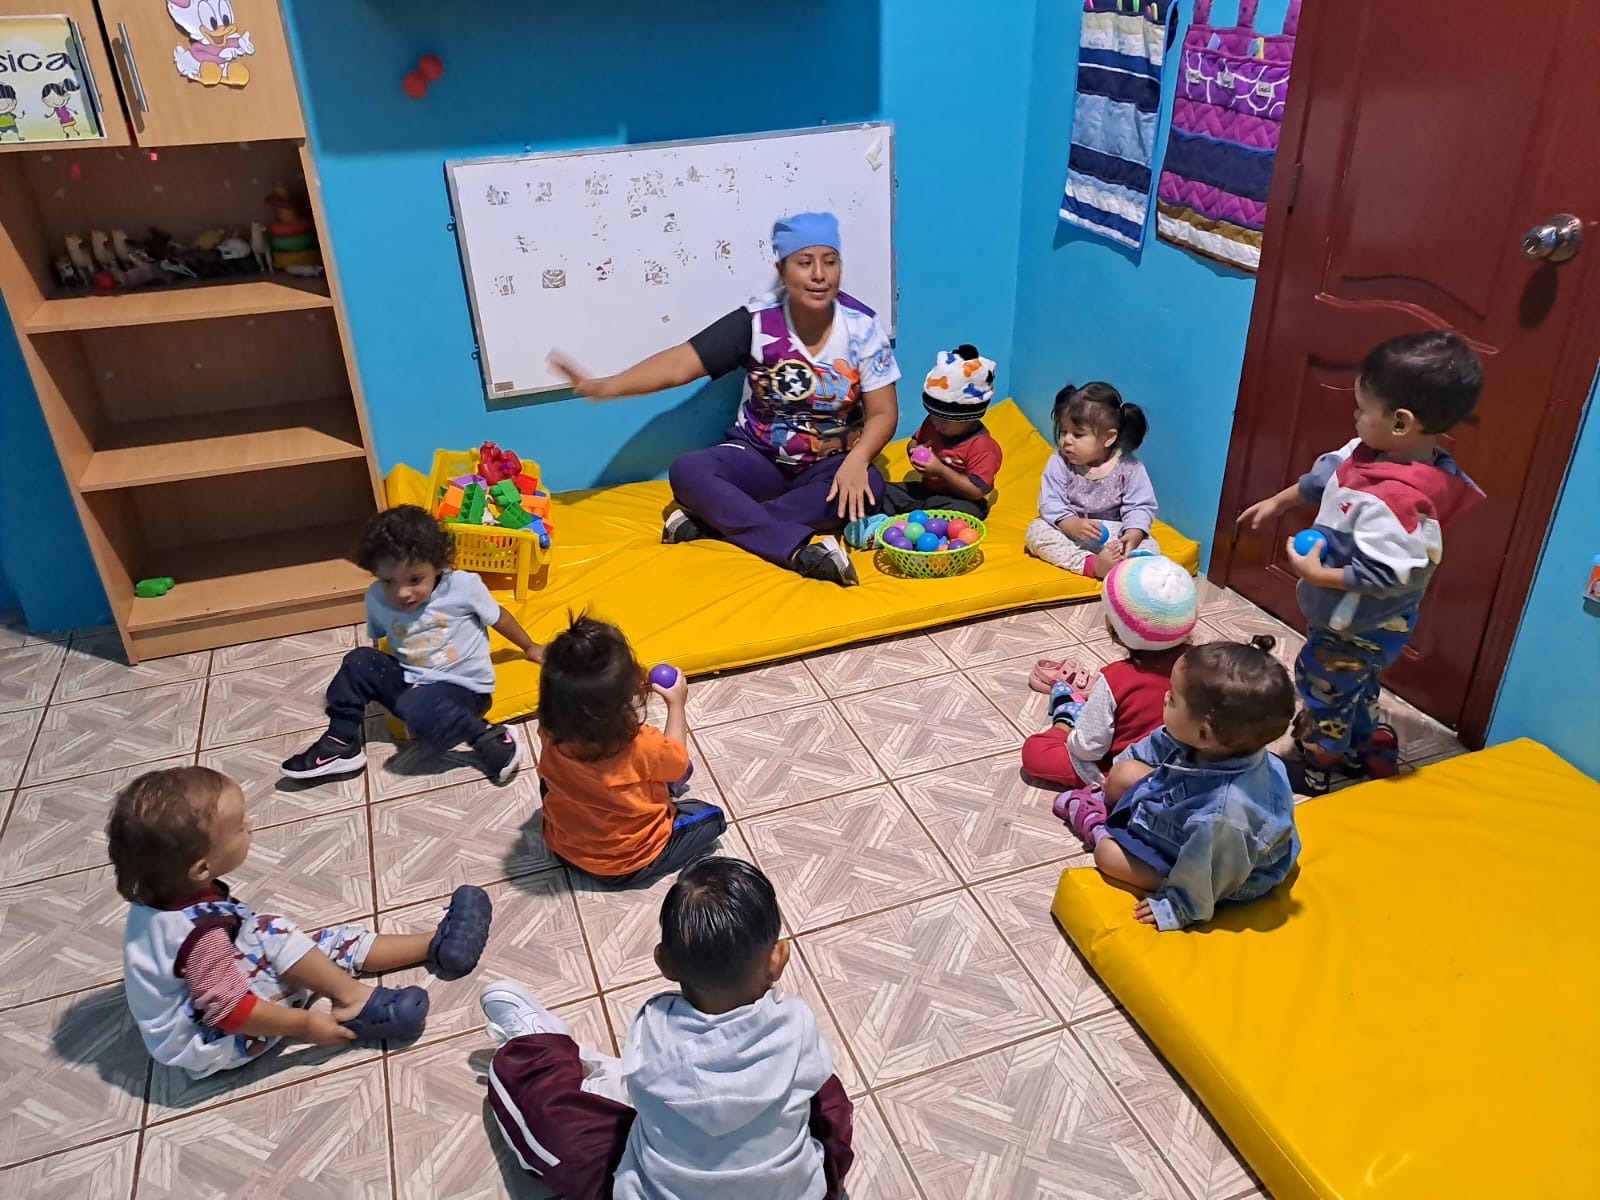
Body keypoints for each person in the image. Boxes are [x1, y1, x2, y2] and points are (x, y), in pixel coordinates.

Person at [549, 211, 900, 587]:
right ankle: (797, 551)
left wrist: (858, 459)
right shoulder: (756, 322)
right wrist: (605, 388)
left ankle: (717, 524)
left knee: (870, 487)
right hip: (757, 459)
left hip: (828, 466)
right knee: (688, 471)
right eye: (804, 263)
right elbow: (679, 364)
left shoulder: (862, 327)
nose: (819, 275)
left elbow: (883, 413)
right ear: (781, 271)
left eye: (830, 262)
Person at [481, 857, 854, 1200]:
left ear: (663, 962)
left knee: (557, 1125)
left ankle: (536, 1047)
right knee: (828, 1100)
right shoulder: (798, 1025)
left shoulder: (652, 1029)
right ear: (779, 958)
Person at [110, 766, 491, 1075]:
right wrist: (305, 1027)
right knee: (273, 932)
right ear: (201, 868)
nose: (251, 825)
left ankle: (436, 944)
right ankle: (355, 1002)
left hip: (209, 1010)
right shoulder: (199, 939)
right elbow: (229, 1011)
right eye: (239, 827)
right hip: (217, 1037)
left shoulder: (164, 894)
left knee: (296, 944)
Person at [1236, 331, 1484, 794]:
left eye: (1363, 409)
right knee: (1358, 682)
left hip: (1360, 623)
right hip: (1351, 617)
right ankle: (1366, 744)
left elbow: (1387, 574)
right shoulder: (1368, 452)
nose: (1354, 416)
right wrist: (1277, 502)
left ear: (1401, 423)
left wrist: (1315, 574)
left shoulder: (1402, 502)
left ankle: (1320, 764)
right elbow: (1322, 479)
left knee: (1321, 685)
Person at [280, 505, 544, 785]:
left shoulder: (462, 588)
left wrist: (529, 646)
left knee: (419, 710)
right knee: (359, 660)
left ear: (438, 566)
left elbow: (499, 616)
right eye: (388, 581)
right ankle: (340, 742)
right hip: (413, 684)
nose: (402, 593)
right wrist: (380, 680)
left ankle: (491, 737)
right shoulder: (376, 598)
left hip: (465, 689)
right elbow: (382, 640)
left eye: (415, 580)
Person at [1060, 637, 1299, 931]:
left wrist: (1178, 904)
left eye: (1173, 698)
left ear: (1204, 732)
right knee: (1122, 774)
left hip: (1221, 872)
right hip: (1192, 820)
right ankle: (1122, 818)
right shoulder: (1217, 742)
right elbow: (1149, 750)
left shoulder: (1224, 818)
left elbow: (1210, 874)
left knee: (1107, 855)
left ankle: (1104, 828)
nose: (1164, 698)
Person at [536, 614, 727, 885]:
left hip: (563, 846)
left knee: (550, 782)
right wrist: (676, 705)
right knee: (713, 818)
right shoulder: (641, 746)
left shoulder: (549, 729)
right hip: (625, 864)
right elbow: (680, 766)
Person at [1023, 556, 1197, 795]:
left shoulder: (1115, 679)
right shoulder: (1205, 665)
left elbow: (1089, 749)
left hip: (1121, 775)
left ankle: (1066, 718)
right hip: (1188, 771)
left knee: (1035, 751)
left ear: (1115, 629)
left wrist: (1072, 736)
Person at [1025, 382, 1160, 578]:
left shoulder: (1129, 467)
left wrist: (1132, 534)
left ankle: (1125, 566)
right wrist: (1072, 524)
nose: (1067, 440)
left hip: (1112, 535)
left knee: (1150, 545)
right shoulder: (1059, 462)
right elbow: (1050, 502)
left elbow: (1140, 506)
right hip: (1070, 532)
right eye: (1064, 432)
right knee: (1036, 532)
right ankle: (1092, 565)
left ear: (1109, 438)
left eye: (1078, 434)